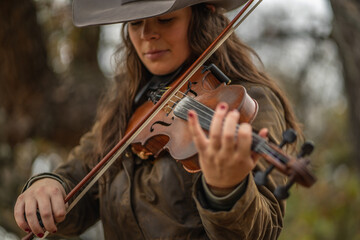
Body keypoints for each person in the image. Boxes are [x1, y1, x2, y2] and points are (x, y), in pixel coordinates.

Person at [14, 0, 302, 239]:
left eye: (165, 19)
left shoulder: (249, 102)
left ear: (202, 16)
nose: (146, 35)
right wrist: (47, 185)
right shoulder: (129, 106)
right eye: (135, 23)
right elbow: (79, 177)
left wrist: (226, 191)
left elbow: (263, 231)